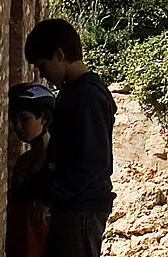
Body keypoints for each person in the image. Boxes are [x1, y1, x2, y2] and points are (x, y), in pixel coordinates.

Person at [23, 19, 116, 257]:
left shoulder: (87, 97)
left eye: (42, 65)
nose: (41, 73)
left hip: (82, 207)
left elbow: (92, 161)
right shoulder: (73, 93)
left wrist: (50, 196)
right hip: (71, 206)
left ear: (59, 55)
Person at [6, 83, 56, 257]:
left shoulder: (56, 160)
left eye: (24, 119)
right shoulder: (23, 162)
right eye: (14, 121)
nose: (18, 126)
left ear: (42, 118)